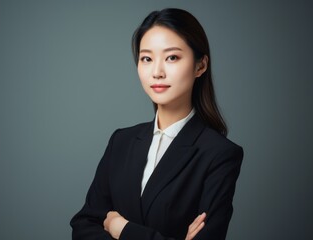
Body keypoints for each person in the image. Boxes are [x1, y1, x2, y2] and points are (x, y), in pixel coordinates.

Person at [70, 8, 243, 240]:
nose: (157, 72)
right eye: (147, 59)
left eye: (172, 57)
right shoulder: (121, 141)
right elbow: (83, 226)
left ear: (200, 66)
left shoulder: (219, 154)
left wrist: (120, 227)